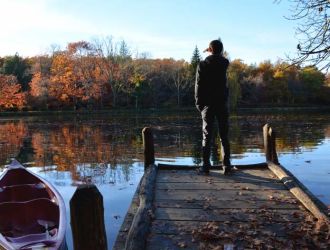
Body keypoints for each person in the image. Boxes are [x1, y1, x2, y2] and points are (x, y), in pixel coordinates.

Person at [195, 39, 232, 175]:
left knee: (207, 135)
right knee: (224, 135)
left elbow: (198, 85)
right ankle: (226, 166)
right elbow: (221, 57)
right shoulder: (224, 63)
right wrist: (213, 50)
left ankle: (205, 167)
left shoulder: (202, 65)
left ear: (210, 50)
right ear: (221, 50)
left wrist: (199, 103)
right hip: (222, 103)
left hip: (207, 104)